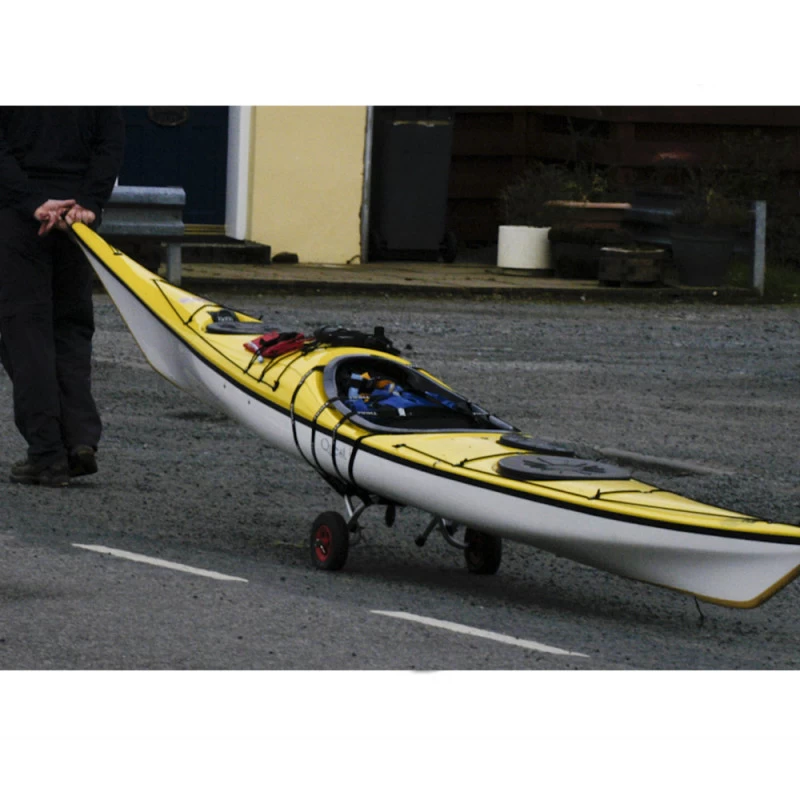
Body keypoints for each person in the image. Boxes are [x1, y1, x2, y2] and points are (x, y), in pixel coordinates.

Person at [0, 107, 125, 487]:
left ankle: (46, 453)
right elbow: (109, 142)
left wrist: (32, 202)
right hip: (77, 218)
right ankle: (79, 439)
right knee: (71, 329)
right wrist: (88, 202)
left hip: (20, 218)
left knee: (27, 334)